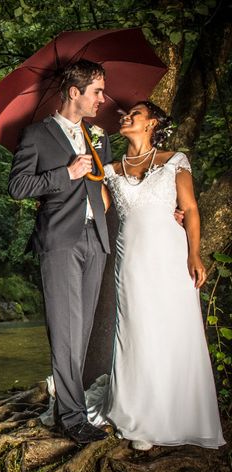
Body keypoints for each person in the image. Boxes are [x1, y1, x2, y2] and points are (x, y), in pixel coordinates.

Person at [97, 101, 225, 450]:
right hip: (131, 260)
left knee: (174, 328)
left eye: (134, 114)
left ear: (152, 123)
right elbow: (99, 208)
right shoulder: (108, 168)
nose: (126, 117)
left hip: (170, 257)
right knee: (136, 332)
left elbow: (191, 209)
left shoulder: (174, 161)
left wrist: (194, 254)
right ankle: (139, 418)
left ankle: (180, 413)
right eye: (125, 115)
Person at [8, 60, 112, 444]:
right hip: (60, 242)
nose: (103, 98)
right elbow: (18, 186)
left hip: (95, 241)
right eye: (97, 91)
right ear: (74, 92)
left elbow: (103, 187)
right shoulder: (36, 135)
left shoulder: (98, 136)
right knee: (65, 333)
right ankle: (72, 419)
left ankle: (64, 407)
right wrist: (65, 174)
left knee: (80, 332)